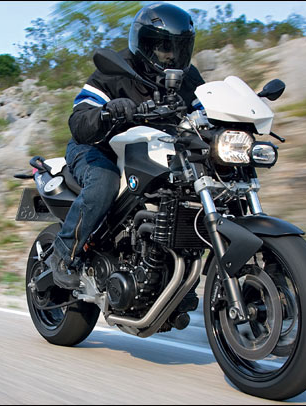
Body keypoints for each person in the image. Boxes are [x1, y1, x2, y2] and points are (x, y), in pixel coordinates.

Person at [46, 2, 206, 289]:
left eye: (179, 47)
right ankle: (64, 254)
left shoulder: (188, 77)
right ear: (145, 44)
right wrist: (107, 112)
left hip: (154, 152)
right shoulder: (114, 70)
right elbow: (79, 121)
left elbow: (204, 112)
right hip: (98, 148)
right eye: (164, 47)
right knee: (103, 183)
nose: (171, 55)